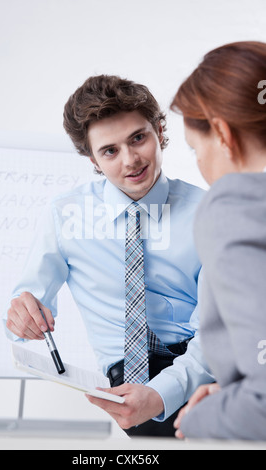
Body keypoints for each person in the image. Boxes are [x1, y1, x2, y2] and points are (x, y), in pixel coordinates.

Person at [4, 75, 213, 437]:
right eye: (110, 151)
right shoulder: (65, 215)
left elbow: (219, 331)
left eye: (138, 138)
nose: (131, 160)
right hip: (124, 385)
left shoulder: (209, 213)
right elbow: (28, 301)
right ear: (92, 159)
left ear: (160, 131)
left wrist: (161, 394)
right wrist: (22, 314)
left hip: (204, 371)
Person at [170, 41, 266, 440]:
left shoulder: (233, 206)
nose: (200, 166)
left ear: (223, 134)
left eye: (195, 149)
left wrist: (199, 421)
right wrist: (234, 394)